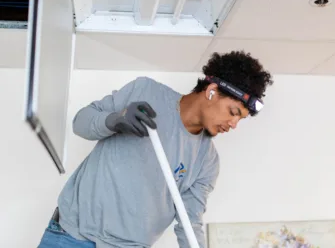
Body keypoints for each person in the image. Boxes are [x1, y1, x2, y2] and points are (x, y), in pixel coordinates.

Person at [38, 50, 273, 248]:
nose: (233, 125)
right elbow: (80, 123)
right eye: (233, 112)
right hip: (69, 236)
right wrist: (114, 120)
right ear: (212, 91)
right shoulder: (145, 92)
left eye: (241, 119)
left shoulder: (207, 161)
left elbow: (190, 221)